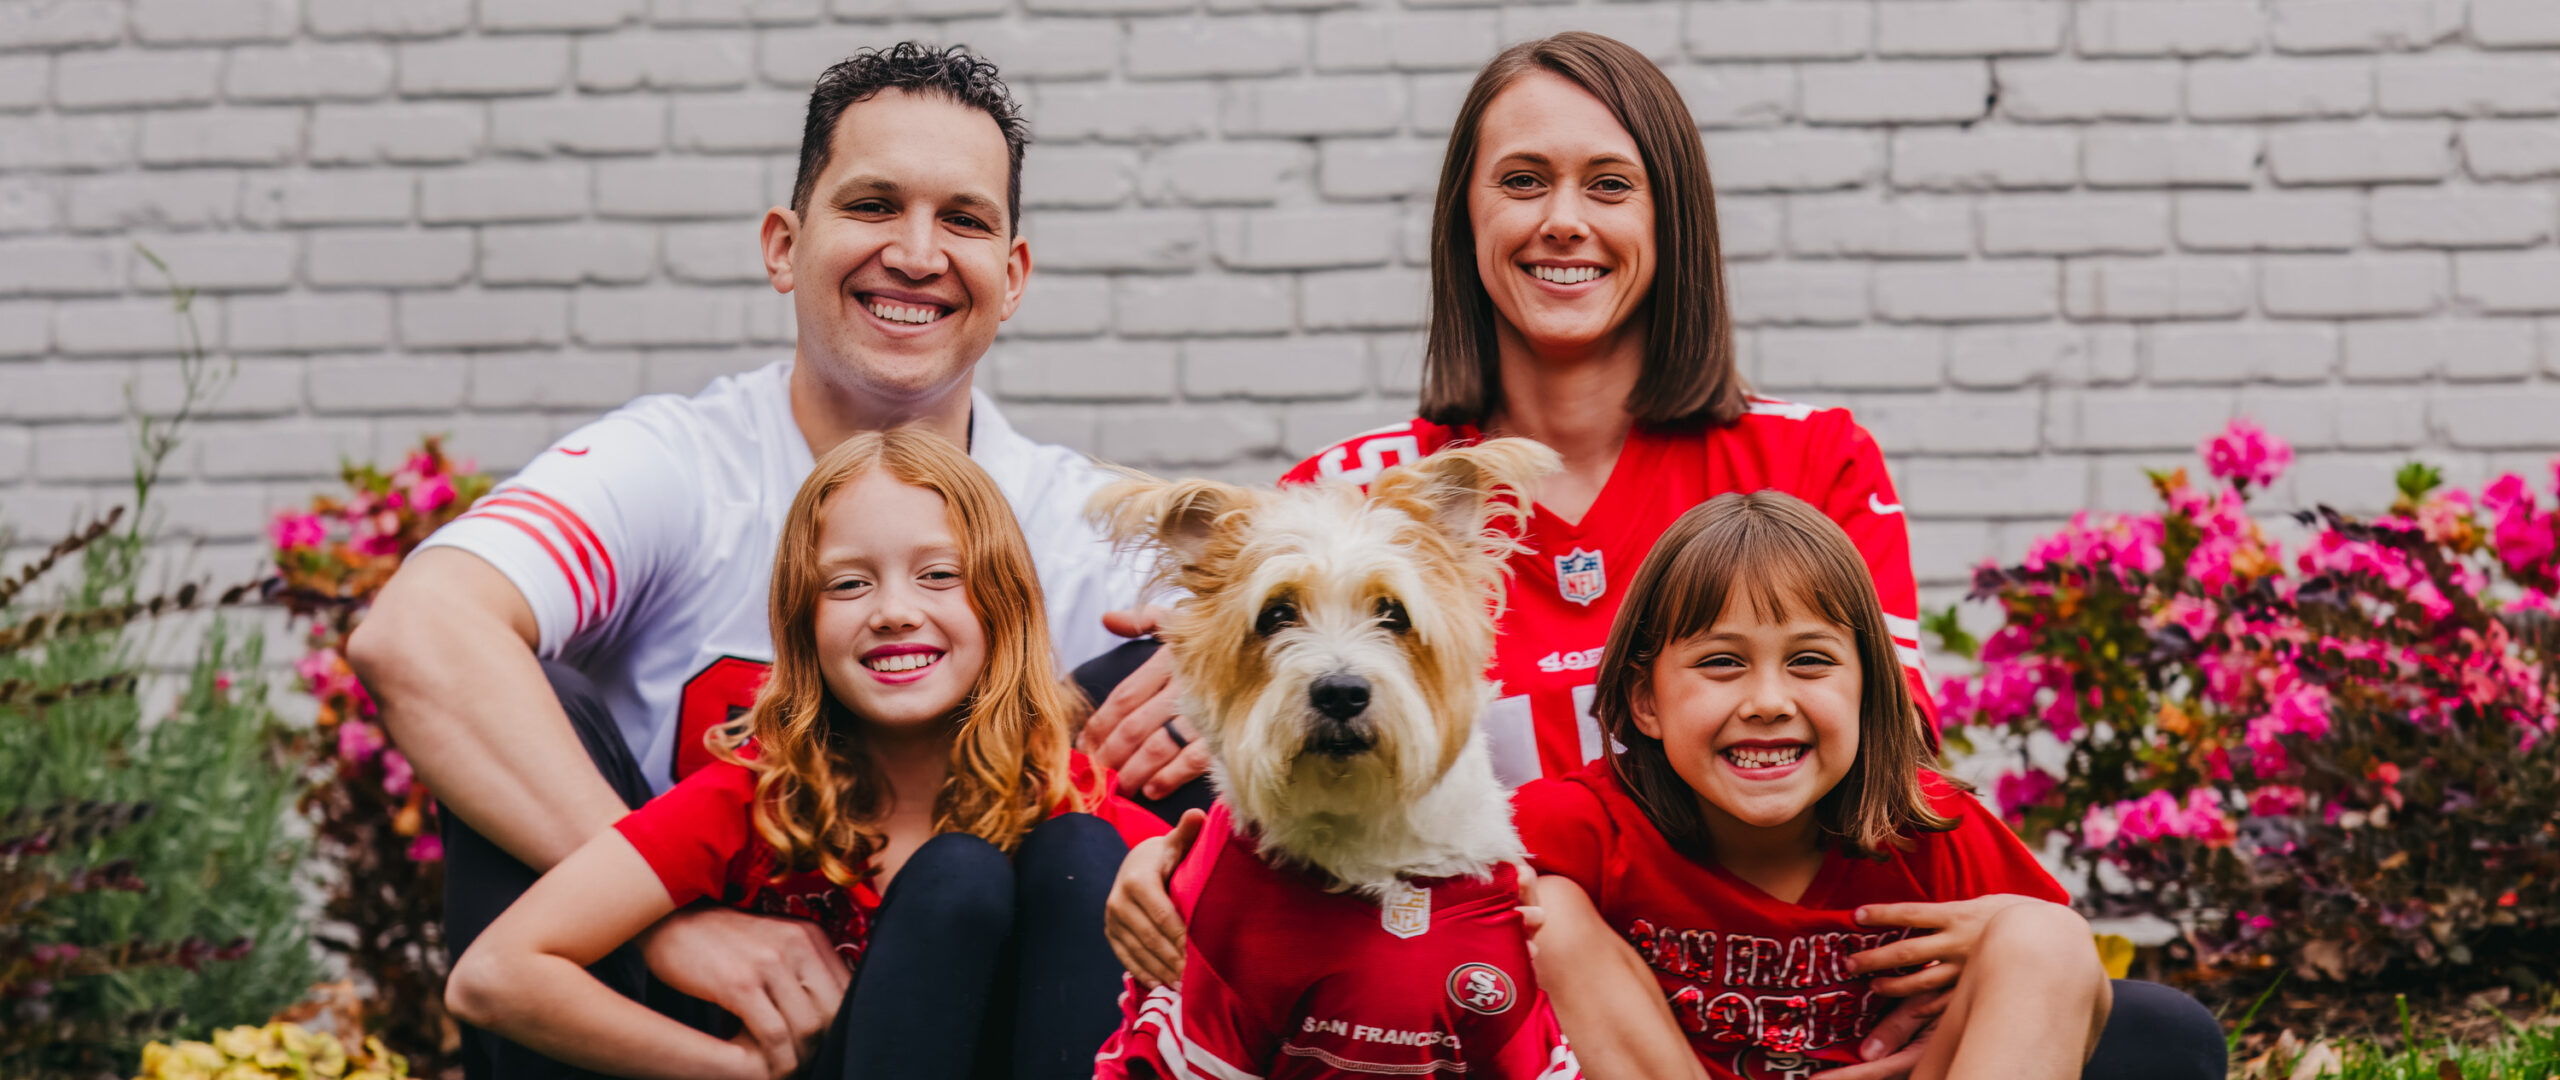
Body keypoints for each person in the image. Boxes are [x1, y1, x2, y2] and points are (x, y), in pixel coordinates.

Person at [1102, 31, 2227, 1080]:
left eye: (1609, 183)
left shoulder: (1807, 455)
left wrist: (2010, 927)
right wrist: (1162, 867)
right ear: (1464, 217)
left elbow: (1882, 752)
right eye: (1522, 180)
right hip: (1524, 972)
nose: (1562, 221)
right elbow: (1241, 733)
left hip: (1782, 969)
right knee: (1525, 921)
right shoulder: (1358, 499)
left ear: (1670, 217)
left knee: (2155, 1034)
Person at [346, 43, 1172, 1079]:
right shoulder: (679, 466)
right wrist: (673, 923)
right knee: (529, 693)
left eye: (961, 219)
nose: (916, 254)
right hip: (695, 1019)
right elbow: (419, 634)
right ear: (785, 246)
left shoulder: (1076, 514)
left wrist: (1228, 656)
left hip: (978, 1017)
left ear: (1011, 278)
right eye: (873, 205)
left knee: (1161, 706)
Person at [444, 429, 1168, 1080]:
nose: (892, 610)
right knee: (957, 876)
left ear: (1003, 605)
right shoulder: (762, 793)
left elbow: (1245, 953)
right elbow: (495, 974)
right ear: (802, 625)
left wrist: (1152, 872)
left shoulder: (1061, 791)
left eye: (939, 574)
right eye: (849, 584)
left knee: (1078, 850)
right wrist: (728, 1068)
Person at [1518, 490, 2106, 1080]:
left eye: (1809, 661)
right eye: (1722, 662)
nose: (1769, 702)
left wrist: (2004, 948)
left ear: (1867, 688)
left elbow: (2082, 994)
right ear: (1645, 700)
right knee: (1540, 908)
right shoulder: (1586, 824)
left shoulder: (1926, 824)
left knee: (2047, 935)